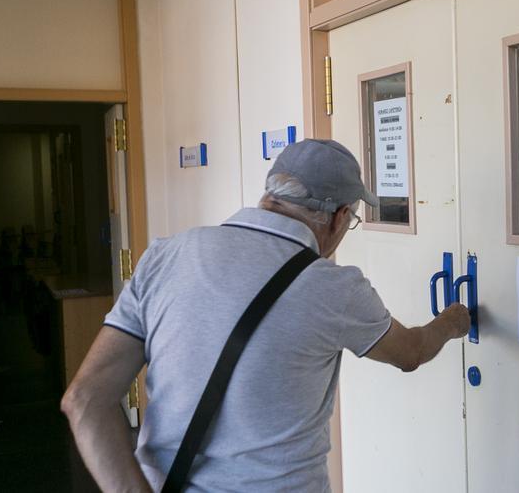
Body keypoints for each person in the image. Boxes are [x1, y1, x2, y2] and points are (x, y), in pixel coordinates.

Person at [62, 139, 471, 492]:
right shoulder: (333, 287)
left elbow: (85, 400)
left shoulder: (165, 256)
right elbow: (410, 353)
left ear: (270, 194)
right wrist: (455, 320)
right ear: (339, 216)